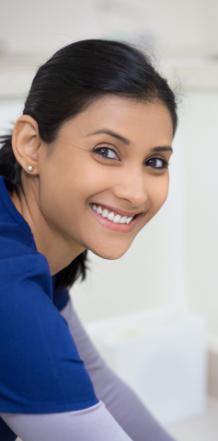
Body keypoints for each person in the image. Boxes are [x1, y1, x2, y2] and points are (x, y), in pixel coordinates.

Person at [0, 39, 178, 441]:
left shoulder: (31, 247)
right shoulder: (8, 291)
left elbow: (101, 387)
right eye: (106, 151)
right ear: (31, 144)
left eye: (155, 162)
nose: (136, 192)